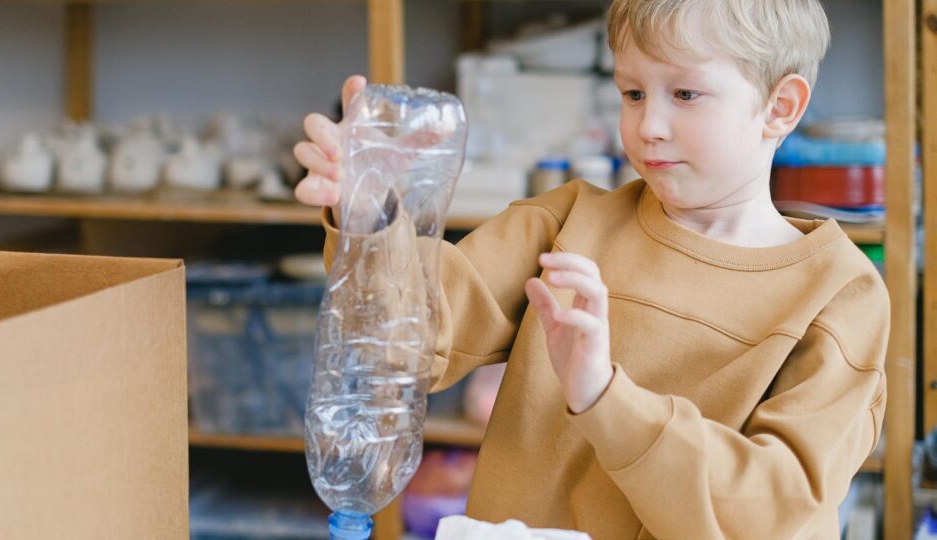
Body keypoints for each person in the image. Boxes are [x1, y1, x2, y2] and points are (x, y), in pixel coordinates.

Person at [292, 0, 888, 537]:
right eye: (633, 93)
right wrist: (371, 217)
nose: (648, 126)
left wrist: (606, 398)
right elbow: (411, 338)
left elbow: (770, 510)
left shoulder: (838, 295)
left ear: (779, 107)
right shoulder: (567, 224)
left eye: (684, 94)